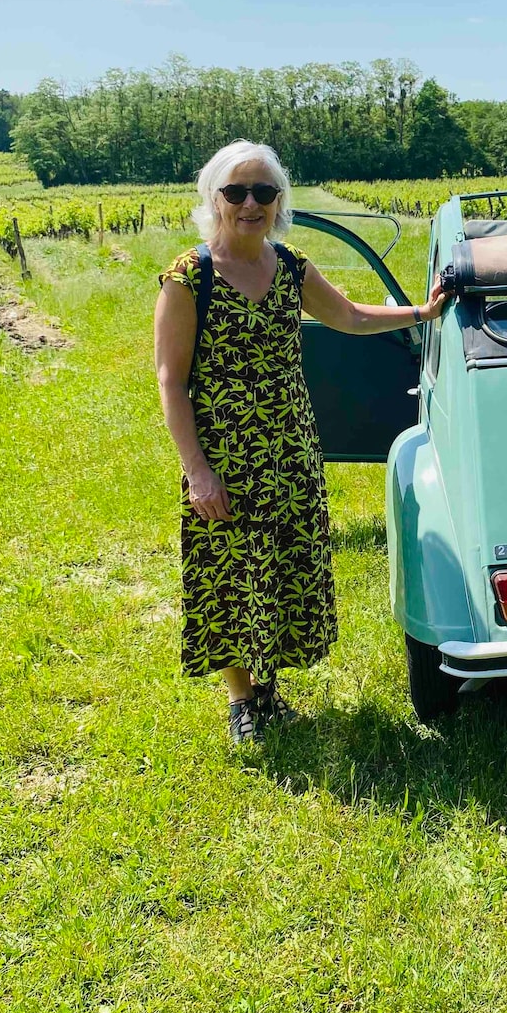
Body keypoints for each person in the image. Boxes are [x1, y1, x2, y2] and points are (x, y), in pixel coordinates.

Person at [154, 139, 447, 743]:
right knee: (230, 573)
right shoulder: (190, 277)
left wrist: (421, 314)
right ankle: (242, 703)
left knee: (283, 567)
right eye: (236, 191)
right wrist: (199, 472)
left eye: (264, 191)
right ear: (214, 198)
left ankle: (268, 693)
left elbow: (351, 317)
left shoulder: (289, 266)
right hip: (225, 456)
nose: (250, 203)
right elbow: (170, 382)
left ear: (279, 201)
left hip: (288, 449)